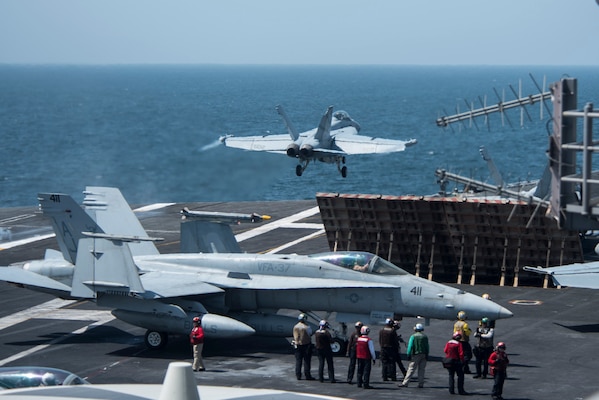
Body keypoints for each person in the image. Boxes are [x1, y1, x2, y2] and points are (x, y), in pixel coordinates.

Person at [398, 323, 429, 388]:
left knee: (411, 369)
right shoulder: (425, 337)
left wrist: (408, 354)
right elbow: (427, 347)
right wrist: (427, 354)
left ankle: (405, 383)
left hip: (416, 355)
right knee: (421, 369)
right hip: (423, 354)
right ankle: (421, 383)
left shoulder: (413, 336)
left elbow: (410, 346)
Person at [293, 313, 315, 380]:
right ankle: (307, 375)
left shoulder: (295, 326)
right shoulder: (307, 327)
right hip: (306, 345)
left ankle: (298, 375)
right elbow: (310, 333)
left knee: (298, 361)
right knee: (307, 361)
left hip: (297, 345)